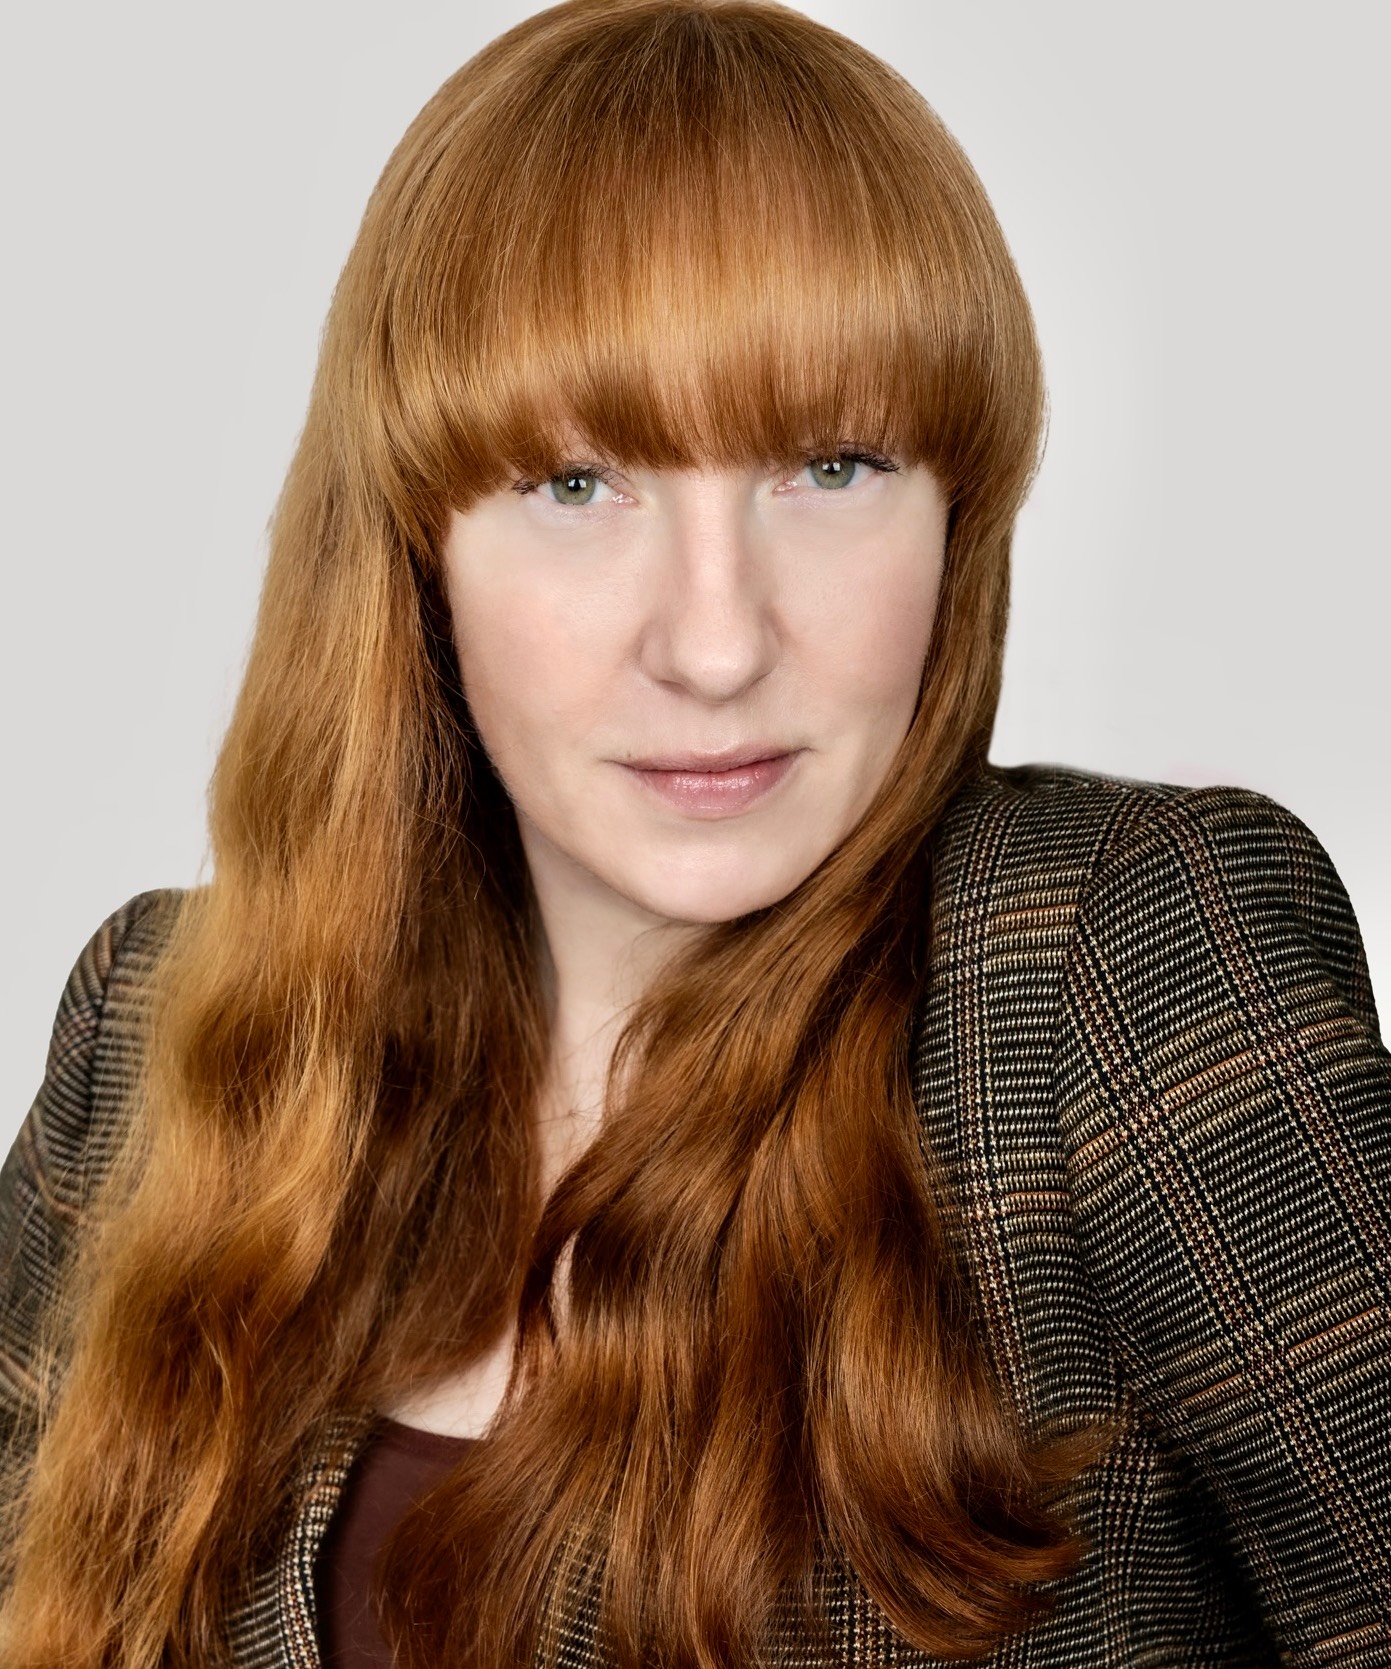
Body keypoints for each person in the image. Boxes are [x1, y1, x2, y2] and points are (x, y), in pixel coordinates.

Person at [3, 0, 1389, 1664]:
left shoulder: (1115, 969)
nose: (718, 644)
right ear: (418, 548)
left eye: (834, 466)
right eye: (579, 484)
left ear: (961, 511)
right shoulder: (152, 1028)